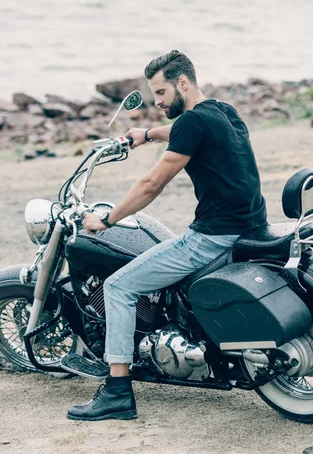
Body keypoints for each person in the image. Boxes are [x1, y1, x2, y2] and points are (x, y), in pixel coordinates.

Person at [67, 50, 267, 421]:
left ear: (183, 83)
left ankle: (117, 393)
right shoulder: (222, 111)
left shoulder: (193, 123)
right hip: (249, 226)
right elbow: (185, 131)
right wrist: (146, 135)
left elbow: (151, 183)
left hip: (212, 235)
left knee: (118, 287)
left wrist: (107, 219)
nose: (156, 102)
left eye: (160, 93)